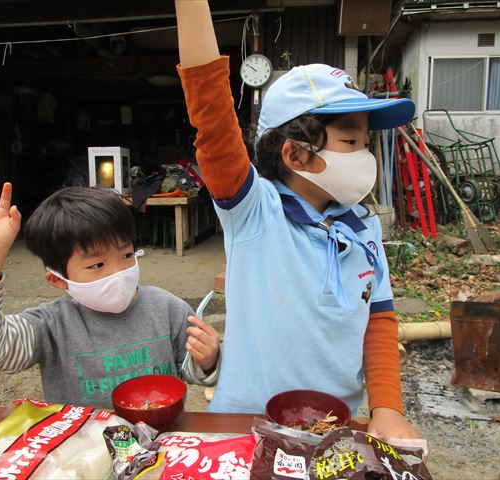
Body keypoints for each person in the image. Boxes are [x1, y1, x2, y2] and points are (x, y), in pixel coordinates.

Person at [174, 0, 419, 440]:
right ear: (295, 153)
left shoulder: (365, 226)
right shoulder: (253, 210)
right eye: (351, 140)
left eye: (366, 141)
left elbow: (379, 320)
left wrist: (386, 408)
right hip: (244, 427)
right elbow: (212, 117)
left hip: (333, 430)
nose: (365, 155)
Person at [0, 178, 220, 408]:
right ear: (58, 281)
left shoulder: (166, 308)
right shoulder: (52, 325)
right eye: (97, 265)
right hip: (84, 450)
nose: (118, 272)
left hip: (162, 442)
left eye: (126, 255)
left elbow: (191, 368)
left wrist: (209, 359)